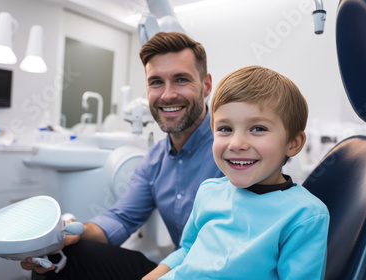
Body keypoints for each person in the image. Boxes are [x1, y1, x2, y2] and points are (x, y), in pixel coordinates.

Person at [21, 32, 223, 279]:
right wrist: (71, 233)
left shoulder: (232, 149)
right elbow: (121, 218)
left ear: (207, 86)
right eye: (156, 82)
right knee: (58, 258)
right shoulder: (155, 160)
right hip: (175, 267)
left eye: (181, 79)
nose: (167, 95)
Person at [143, 65, 330, 280]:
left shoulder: (304, 215)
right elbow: (186, 251)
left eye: (258, 128)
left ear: (293, 143)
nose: (237, 143)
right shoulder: (209, 191)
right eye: (225, 129)